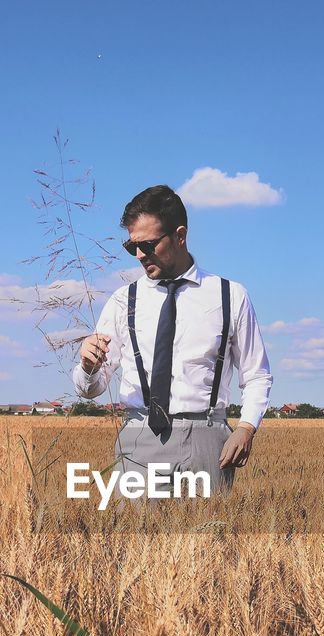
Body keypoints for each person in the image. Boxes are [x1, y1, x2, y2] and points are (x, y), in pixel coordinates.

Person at [72, 185, 272, 495]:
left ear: (180, 236)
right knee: (136, 541)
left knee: (207, 542)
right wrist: (88, 366)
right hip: (139, 439)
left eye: (148, 245)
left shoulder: (230, 296)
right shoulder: (123, 301)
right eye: (132, 247)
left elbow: (257, 374)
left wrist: (246, 428)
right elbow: (91, 390)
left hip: (208, 442)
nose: (139, 255)